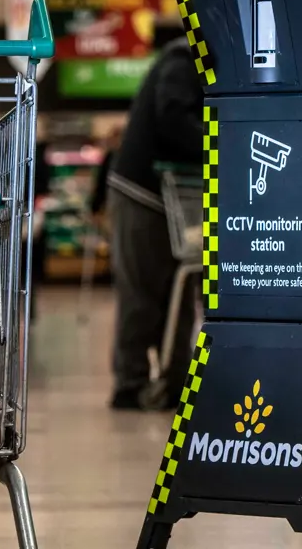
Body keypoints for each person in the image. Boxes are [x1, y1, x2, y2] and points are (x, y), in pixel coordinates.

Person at [108, 42, 204, 409]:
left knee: (176, 294)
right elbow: (172, 119)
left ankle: (176, 381)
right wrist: (223, 139)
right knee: (142, 293)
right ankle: (129, 386)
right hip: (141, 193)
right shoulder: (184, 59)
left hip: (172, 197)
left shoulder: (194, 63)